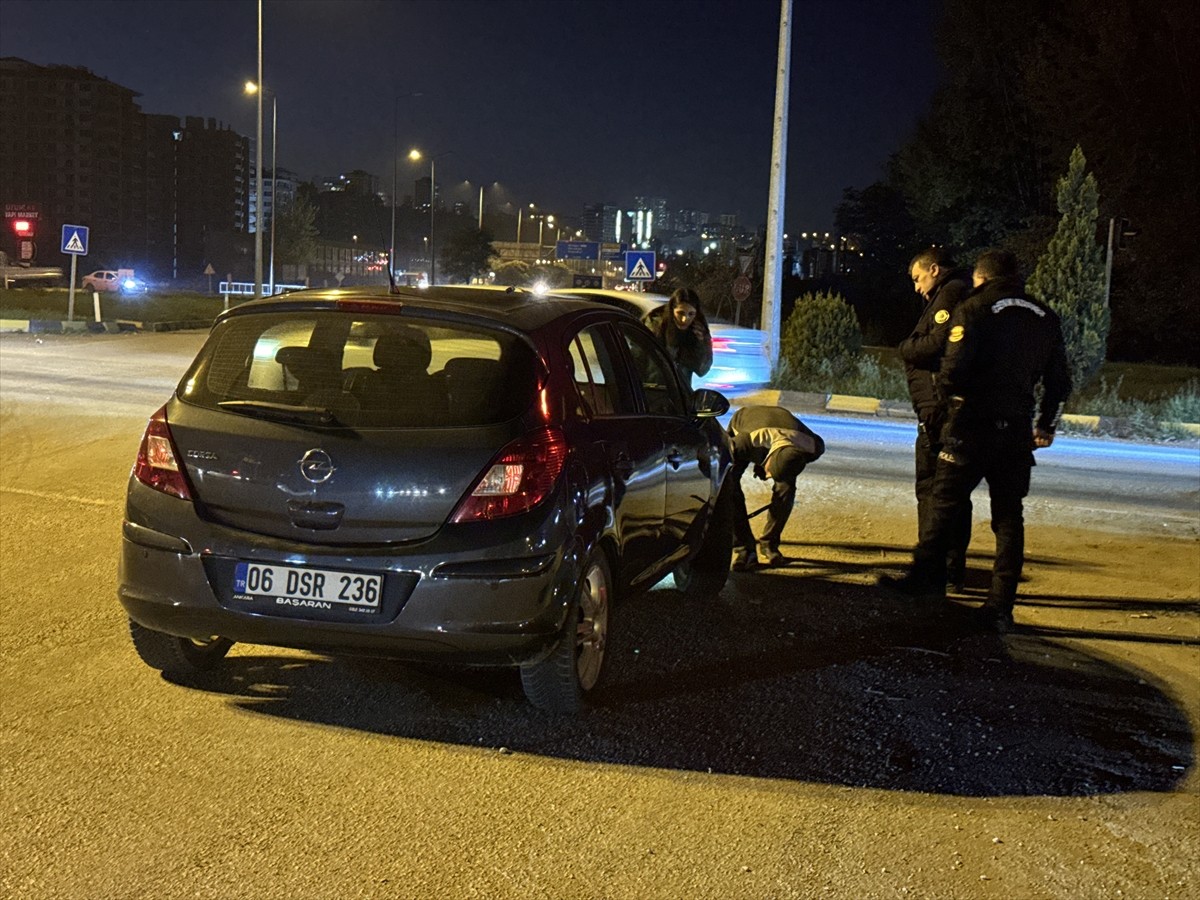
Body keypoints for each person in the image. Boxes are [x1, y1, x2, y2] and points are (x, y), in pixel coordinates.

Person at [880, 249, 1072, 631]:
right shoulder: (1044, 316)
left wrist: (948, 409)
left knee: (943, 501)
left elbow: (953, 370)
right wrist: (1045, 424)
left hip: (971, 424)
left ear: (981, 277)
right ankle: (1000, 606)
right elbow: (1060, 381)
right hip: (1016, 428)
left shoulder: (974, 307)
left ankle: (922, 578)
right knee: (1008, 517)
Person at [901, 247, 974, 592]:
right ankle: (949, 567)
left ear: (934, 269)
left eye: (918, 279)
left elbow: (935, 344)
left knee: (934, 489)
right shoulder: (952, 292)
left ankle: (937, 569)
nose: (917, 288)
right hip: (940, 408)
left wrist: (907, 348)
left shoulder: (950, 293)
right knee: (948, 491)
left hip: (938, 411)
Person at [727, 405, 825, 570]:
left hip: (782, 437)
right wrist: (760, 462)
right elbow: (720, 462)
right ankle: (744, 548)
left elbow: (794, 463)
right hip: (748, 418)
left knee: (786, 489)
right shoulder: (743, 442)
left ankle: (769, 544)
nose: (768, 477)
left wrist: (775, 469)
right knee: (729, 486)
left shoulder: (814, 446)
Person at [642, 287, 713, 388]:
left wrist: (701, 344)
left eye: (691, 314)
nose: (685, 319)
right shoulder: (655, 325)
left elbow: (702, 370)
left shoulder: (698, 331)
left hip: (679, 392)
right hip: (652, 389)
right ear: (672, 310)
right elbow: (638, 358)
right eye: (680, 313)